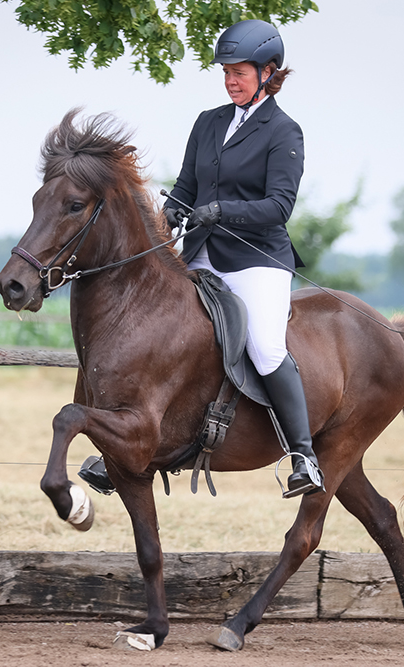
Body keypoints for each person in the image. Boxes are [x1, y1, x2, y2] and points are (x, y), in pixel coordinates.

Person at [79, 19, 324, 499]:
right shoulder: (208, 121)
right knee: (161, 333)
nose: (231, 80)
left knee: (265, 345)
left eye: (240, 73)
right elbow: (188, 186)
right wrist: (168, 215)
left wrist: (222, 210)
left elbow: (279, 207)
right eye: (226, 73)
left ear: (268, 72)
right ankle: (132, 446)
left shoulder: (284, 131)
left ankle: (303, 455)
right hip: (204, 255)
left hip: (257, 261)